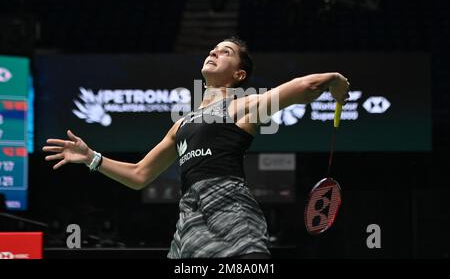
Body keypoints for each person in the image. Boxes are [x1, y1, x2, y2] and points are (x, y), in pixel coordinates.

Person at [43, 37, 350, 258]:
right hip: (190, 221)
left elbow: (298, 89)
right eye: (213, 49)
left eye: (225, 52)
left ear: (239, 74)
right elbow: (139, 174)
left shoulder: (241, 107)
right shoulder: (181, 125)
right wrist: (91, 158)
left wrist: (332, 80)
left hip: (231, 215)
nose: (214, 52)